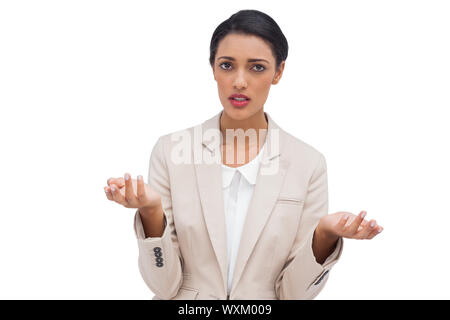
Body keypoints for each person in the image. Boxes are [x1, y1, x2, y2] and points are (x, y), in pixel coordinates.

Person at [104, 9, 383, 300]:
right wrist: (151, 212)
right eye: (227, 65)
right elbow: (165, 287)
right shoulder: (170, 152)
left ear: (278, 72)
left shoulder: (308, 164)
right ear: (212, 68)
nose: (239, 81)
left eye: (257, 67)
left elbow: (293, 294)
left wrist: (324, 236)